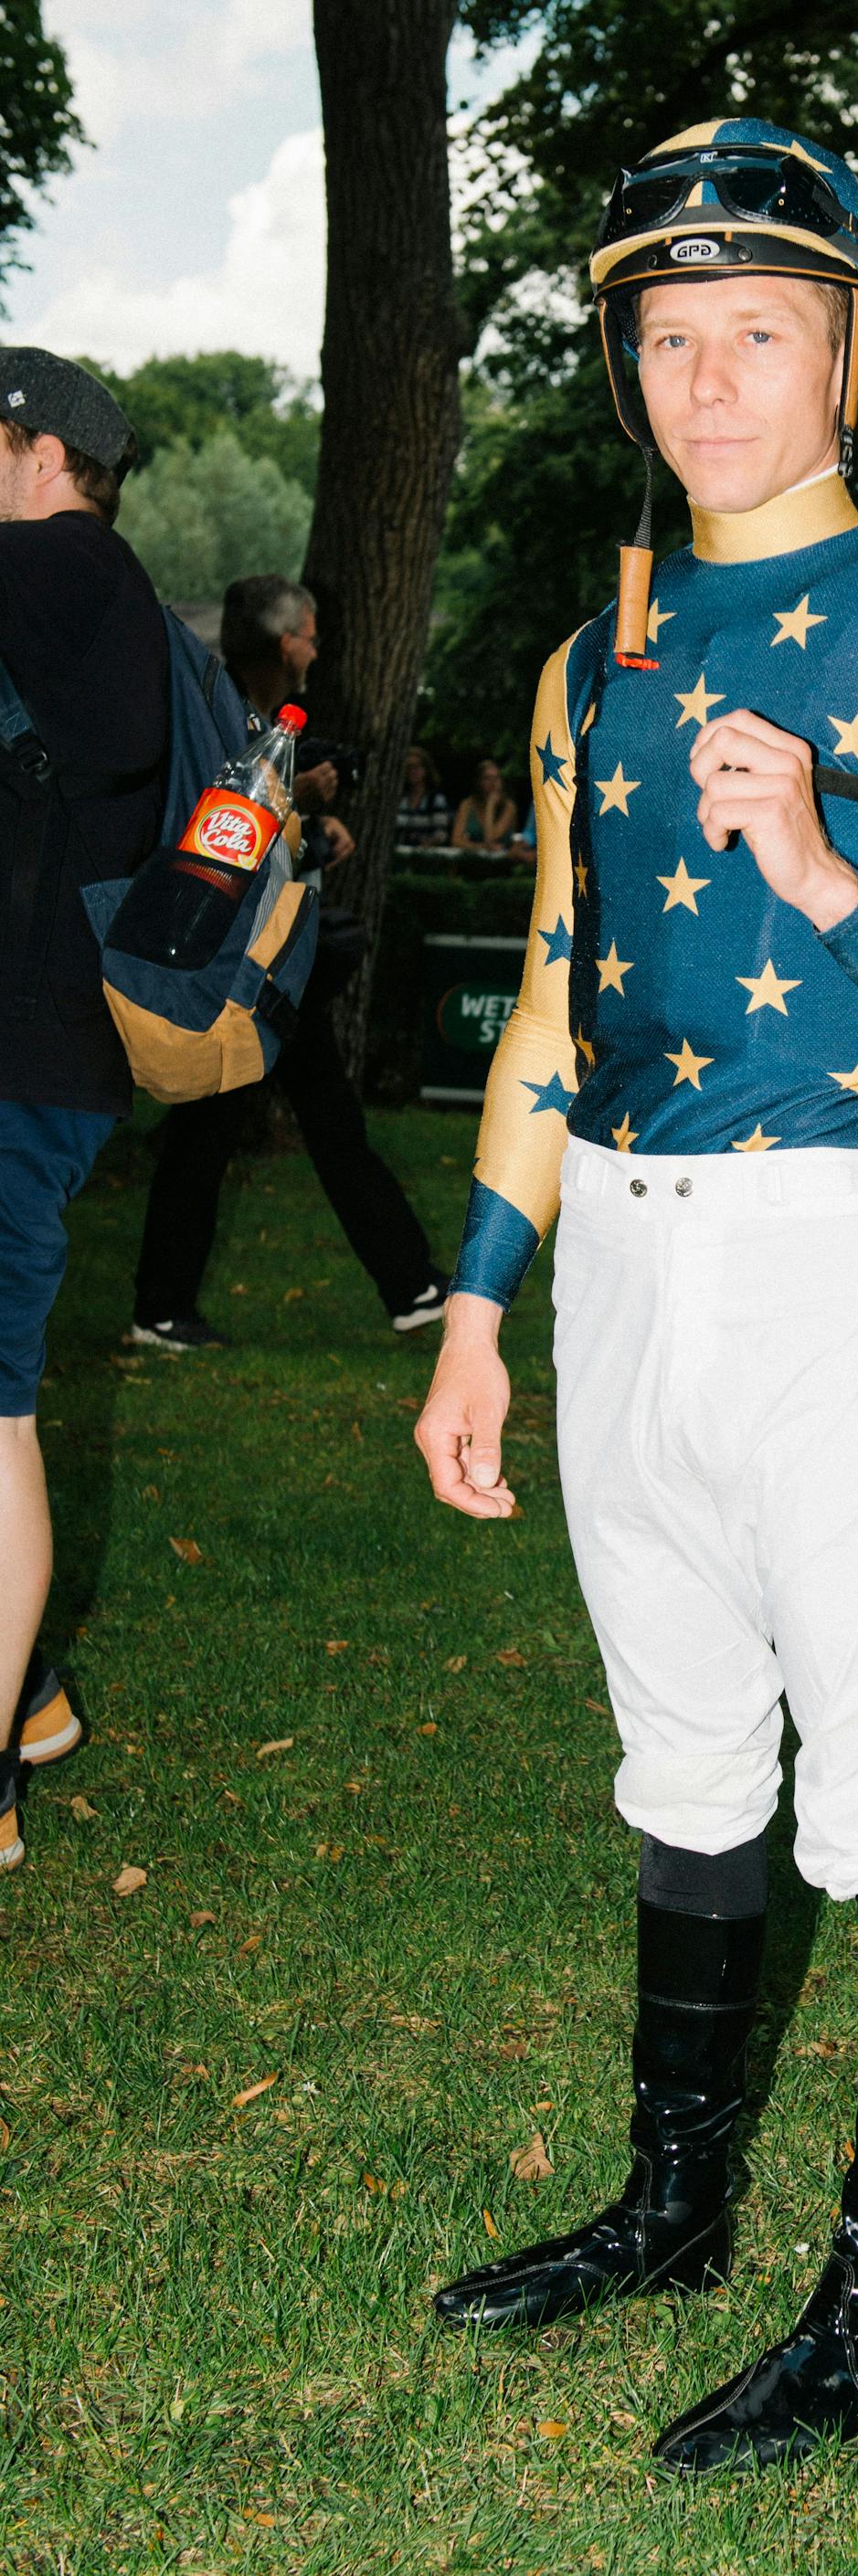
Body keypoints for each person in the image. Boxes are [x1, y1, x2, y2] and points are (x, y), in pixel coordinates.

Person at [414, 118, 858, 2476]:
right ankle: (677, 2204)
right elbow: (547, 996)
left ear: (851, 354)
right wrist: (480, 1300)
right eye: (670, 338)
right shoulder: (585, 659)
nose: (708, 383)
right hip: (613, 1258)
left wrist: (822, 872)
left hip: (816, 1258)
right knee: (684, 1751)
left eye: (761, 333)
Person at [0, 348, 165, 1868]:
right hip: (48, 1059)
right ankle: (32, 1687)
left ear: (39, 451)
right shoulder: (94, 591)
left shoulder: (48, 567)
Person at [128, 575, 450, 1348]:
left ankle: (409, 1282)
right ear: (283, 643)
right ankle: (166, 1306)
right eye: (308, 634)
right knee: (231, 1127)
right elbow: (217, 837)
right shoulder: (223, 721)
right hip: (238, 964)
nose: (316, 647)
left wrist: (307, 823)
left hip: (267, 957)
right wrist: (296, 803)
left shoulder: (245, 717)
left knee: (302, 1121)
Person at [450, 756, 518, 853]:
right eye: (487, 778)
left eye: (496, 778)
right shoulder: (467, 805)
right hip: (474, 858)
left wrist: (490, 806)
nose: (493, 783)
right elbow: (456, 841)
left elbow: (490, 839)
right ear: (479, 781)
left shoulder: (509, 807)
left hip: (502, 860)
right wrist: (480, 847)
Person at [396, 744, 450, 848]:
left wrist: (430, 842)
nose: (412, 771)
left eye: (416, 767)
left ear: (425, 769)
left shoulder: (435, 799)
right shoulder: (398, 799)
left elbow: (441, 833)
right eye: (409, 768)